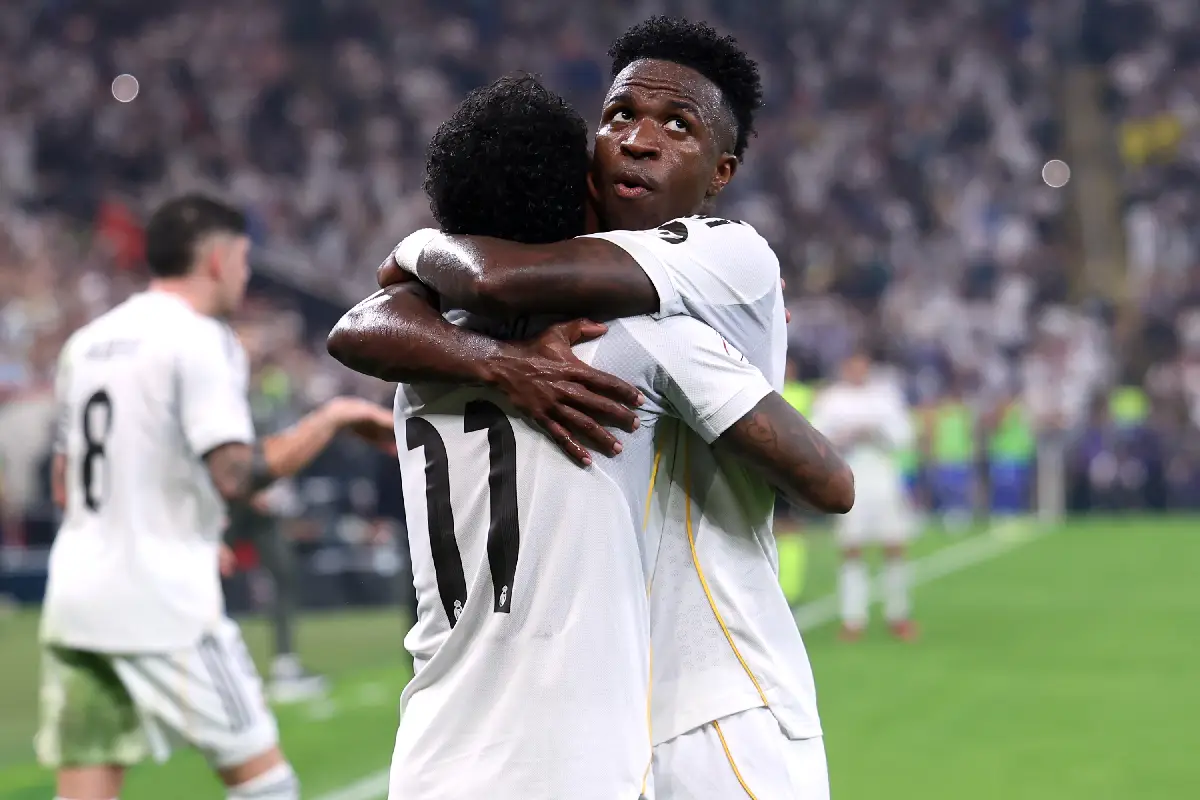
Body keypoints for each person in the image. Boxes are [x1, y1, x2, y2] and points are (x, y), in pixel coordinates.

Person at [329, 17, 848, 798]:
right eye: (618, 118)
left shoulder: (722, 259)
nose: (638, 139)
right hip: (615, 712)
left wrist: (416, 248)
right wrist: (501, 363)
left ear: (721, 172)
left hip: (720, 694)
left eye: (677, 125)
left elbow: (451, 291)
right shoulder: (591, 323)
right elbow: (373, 319)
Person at [38, 195, 395, 800]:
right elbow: (236, 473)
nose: (246, 274)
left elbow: (63, 481)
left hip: (75, 597)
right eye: (244, 259)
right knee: (269, 787)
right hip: (163, 603)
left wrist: (182, 526)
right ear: (217, 258)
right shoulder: (201, 338)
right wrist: (331, 418)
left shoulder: (88, 342)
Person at [810, 350, 918, 640]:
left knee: (894, 544)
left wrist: (877, 431)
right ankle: (853, 618)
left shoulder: (885, 397)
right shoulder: (832, 399)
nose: (857, 370)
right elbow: (815, 437)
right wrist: (845, 436)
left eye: (862, 365)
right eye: (852, 365)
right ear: (845, 368)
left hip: (883, 477)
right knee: (851, 547)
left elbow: (905, 435)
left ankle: (898, 614)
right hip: (849, 476)